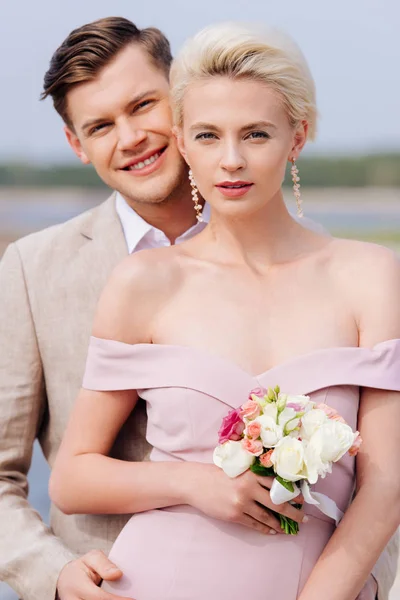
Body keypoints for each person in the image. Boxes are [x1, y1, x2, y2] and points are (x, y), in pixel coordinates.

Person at [49, 22, 400, 600]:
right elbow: (71, 477)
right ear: (183, 141)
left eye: (256, 134)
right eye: (208, 136)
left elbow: (384, 487)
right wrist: (195, 484)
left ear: (298, 136)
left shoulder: (368, 275)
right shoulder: (144, 283)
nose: (231, 160)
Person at [0, 16, 329, 600]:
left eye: (142, 106)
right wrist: (50, 572)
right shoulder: (32, 271)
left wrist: (368, 581)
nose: (130, 137)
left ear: (179, 104)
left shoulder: (320, 267)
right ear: (77, 145)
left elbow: (373, 470)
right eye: (100, 125)